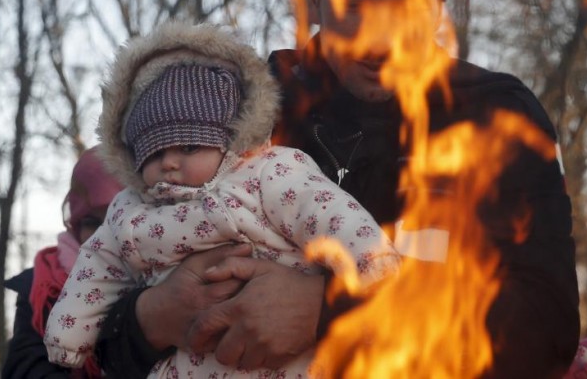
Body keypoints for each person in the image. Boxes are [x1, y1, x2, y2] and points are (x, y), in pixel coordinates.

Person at [92, 0, 580, 379]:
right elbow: (103, 327)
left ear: (439, 9)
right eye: (356, 4)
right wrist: (155, 315)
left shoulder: (496, 114)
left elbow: (545, 330)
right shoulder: (245, 107)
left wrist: (332, 311)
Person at [43, 24, 401, 377]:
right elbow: (97, 265)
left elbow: (325, 211)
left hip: (283, 359)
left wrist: (372, 261)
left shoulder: (267, 173)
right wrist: (69, 333)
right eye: (153, 153)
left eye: (188, 147)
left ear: (225, 142)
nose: (169, 162)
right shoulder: (130, 209)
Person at [2, 146, 124, 379]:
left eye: (115, 218)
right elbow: (24, 368)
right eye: (90, 222)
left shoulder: (172, 277)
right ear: (75, 225)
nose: (102, 235)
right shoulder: (40, 287)